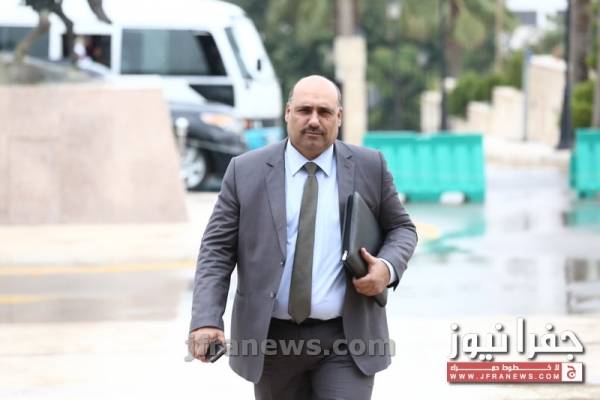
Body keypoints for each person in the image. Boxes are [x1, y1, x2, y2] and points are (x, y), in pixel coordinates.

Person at [189, 75, 417, 400]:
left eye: (324, 112)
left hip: (346, 338)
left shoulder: (370, 166)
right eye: (304, 110)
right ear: (288, 112)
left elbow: (402, 228)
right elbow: (217, 249)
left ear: (339, 117)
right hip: (271, 341)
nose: (313, 120)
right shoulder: (245, 171)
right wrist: (206, 319)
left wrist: (387, 268)